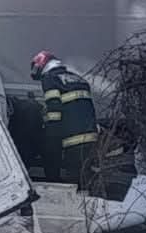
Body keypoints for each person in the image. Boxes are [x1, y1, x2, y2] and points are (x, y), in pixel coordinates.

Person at [31, 50, 98, 185]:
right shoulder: (78, 78)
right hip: (91, 138)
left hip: (72, 140)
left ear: (42, 65)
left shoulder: (50, 78)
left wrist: (50, 137)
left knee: (72, 182)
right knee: (86, 179)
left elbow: (54, 110)